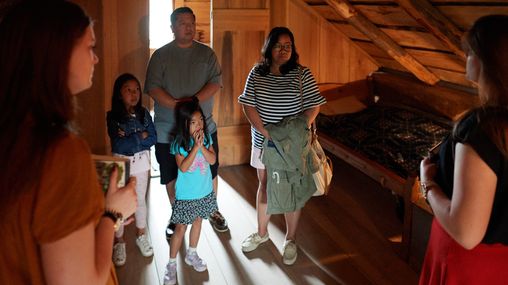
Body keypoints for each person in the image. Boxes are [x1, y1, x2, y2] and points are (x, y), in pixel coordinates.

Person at [0, 1, 137, 285]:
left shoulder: (13, 134)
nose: (96, 59)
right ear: (56, 54)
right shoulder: (60, 152)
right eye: (90, 47)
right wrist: (112, 214)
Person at [418, 15, 508, 285]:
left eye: (469, 53)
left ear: (484, 60)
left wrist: (428, 183)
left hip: (466, 262)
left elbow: (466, 232)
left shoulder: (482, 130)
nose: (465, 58)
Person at [238, 27, 326, 265]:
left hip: (292, 147)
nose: (284, 50)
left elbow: (314, 106)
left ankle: (291, 239)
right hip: (264, 142)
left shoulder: (301, 74)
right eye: (279, 45)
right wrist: (266, 131)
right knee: (265, 185)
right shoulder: (257, 73)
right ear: (269, 47)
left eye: (289, 45)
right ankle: (262, 233)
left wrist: (296, 131)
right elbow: (248, 105)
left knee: (291, 188)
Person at [144, 6, 228, 239]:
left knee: (210, 170)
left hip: (204, 127)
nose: (188, 27)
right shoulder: (160, 55)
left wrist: (192, 103)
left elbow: (215, 83)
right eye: (182, 23)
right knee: (171, 175)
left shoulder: (207, 54)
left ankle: (213, 211)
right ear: (172, 27)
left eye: (191, 22)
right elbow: (152, 88)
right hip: (167, 130)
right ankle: (178, 215)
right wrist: (176, 104)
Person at [163, 100, 218, 285]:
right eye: (194, 122)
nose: (199, 125)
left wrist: (202, 146)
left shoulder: (207, 138)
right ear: (185, 123)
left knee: (197, 221)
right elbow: (184, 168)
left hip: (204, 192)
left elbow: (212, 160)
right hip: (186, 196)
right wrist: (195, 147)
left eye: (201, 120)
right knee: (180, 228)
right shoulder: (179, 143)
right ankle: (171, 265)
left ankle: (192, 253)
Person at [107, 73, 157, 266]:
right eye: (128, 89)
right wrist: (139, 137)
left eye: (136, 89)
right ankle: (119, 241)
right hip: (121, 164)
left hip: (142, 165)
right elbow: (118, 145)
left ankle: (141, 234)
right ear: (119, 93)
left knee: (140, 201)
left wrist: (133, 138)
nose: (134, 93)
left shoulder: (144, 114)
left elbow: (152, 138)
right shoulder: (113, 117)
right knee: (118, 204)